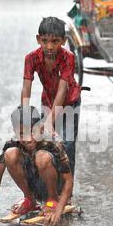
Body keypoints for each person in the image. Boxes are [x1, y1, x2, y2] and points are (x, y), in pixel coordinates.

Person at [0, 105, 74, 226]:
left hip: (56, 189)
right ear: (15, 132)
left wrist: (57, 212)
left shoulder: (52, 144)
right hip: (35, 186)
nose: (27, 138)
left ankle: (52, 200)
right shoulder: (13, 144)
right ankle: (30, 199)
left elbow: (68, 181)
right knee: (9, 154)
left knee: (41, 157)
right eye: (21, 134)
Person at [21, 16, 82, 178]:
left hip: (70, 102)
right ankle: (46, 186)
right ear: (38, 39)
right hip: (47, 100)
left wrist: (49, 122)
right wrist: (25, 117)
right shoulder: (31, 58)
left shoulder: (68, 57)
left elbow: (63, 90)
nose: (49, 46)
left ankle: (67, 191)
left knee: (67, 143)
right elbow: (26, 87)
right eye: (45, 40)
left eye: (55, 41)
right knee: (42, 142)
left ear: (63, 41)